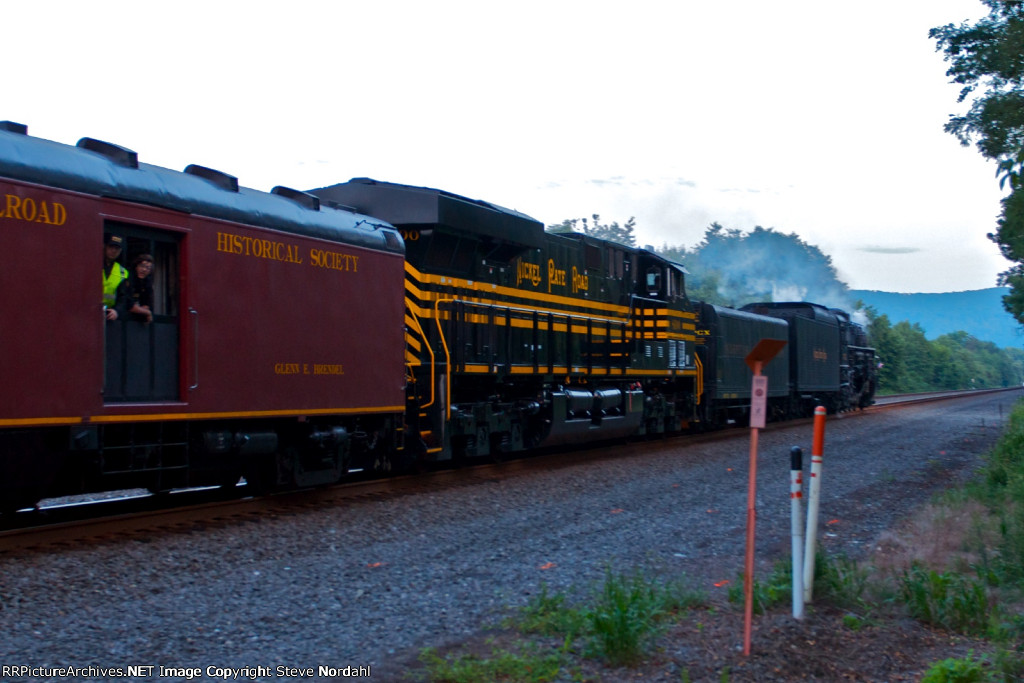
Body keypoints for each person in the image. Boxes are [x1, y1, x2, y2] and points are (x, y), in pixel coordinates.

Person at [119, 253, 155, 323]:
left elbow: (147, 304)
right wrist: (147, 312)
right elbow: (128, 304)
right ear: (136, 266)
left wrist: (144, 311)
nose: (144, 269)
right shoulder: (128, 278)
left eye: (148, 268)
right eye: (142, 266)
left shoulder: (147, 283)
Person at [103, 234, 128, 321]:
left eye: (117, 248)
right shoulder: (94, 264)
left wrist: (116, 311)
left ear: (120, 251)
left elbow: (123, 297)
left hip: (109, 314)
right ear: (105, 246)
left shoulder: (123, 272)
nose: (113, 250)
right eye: (111, 247)